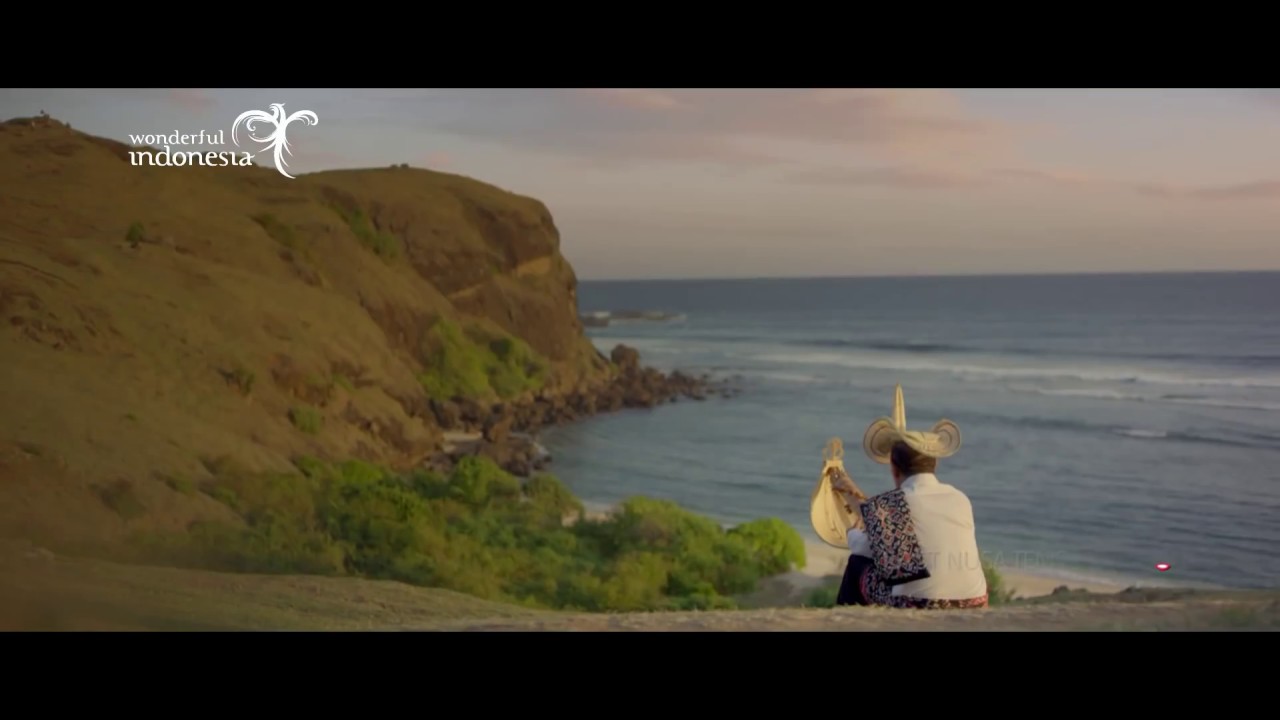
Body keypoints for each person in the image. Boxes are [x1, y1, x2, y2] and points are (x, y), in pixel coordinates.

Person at [832, 384, 988, 609]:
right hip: (975, 602)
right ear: (934, 464)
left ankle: (844, 621)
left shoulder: (891, 506)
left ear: (894, 469)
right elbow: (909, 526)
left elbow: (866, 549)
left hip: (920, 604)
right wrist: (862, 504)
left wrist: (852, 532)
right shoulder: (960, 499)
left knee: (858, 564)